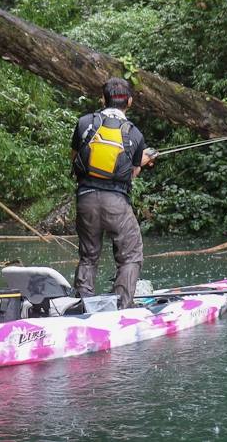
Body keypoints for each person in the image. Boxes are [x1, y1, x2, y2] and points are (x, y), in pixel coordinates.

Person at [70, 77, 157, 309]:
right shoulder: (135, 134)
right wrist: (145, 159)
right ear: (129, 101)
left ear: (102, 99)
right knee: (130, 255)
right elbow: (131, 174)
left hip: (85, 199)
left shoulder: (84, 123)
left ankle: (82, 303)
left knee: (89, 256)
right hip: (116, 202)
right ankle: (120, 307)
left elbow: (74, 159)